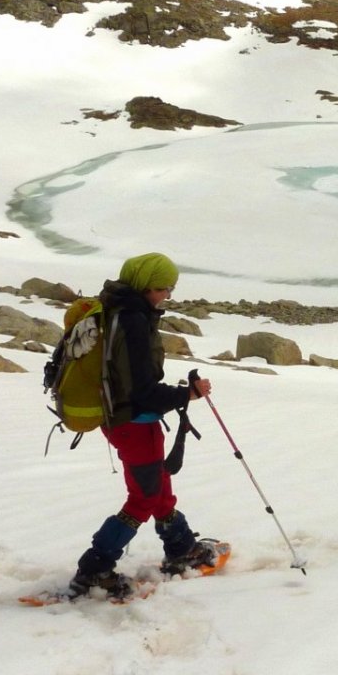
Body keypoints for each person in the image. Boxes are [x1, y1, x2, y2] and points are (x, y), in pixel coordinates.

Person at [69, 252, 222, 596]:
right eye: (162, 288)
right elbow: (143, 392)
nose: (166, 295)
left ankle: (181, 548)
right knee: (144, 497)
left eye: (170, 288)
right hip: (134, 422)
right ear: (144, 285)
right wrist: (189, 395)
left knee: (157, 486)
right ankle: (94, 567)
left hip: (121, 420)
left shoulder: (114, 306)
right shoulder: (132, 320)